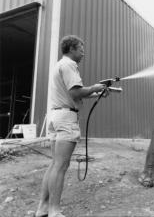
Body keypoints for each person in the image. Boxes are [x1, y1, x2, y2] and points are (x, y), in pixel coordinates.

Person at [35, 35, 107, 217]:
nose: (83, 53)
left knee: (55, 164)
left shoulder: (59, 65)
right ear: (72, 49)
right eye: (81, 49)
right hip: (66, 118)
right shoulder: (69, 65)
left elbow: (72, 94)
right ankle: (54, 211)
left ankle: (43, 207)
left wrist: (96, 92)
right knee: (60, 165)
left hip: (55, 116)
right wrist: (95, 87)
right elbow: (76, 92)